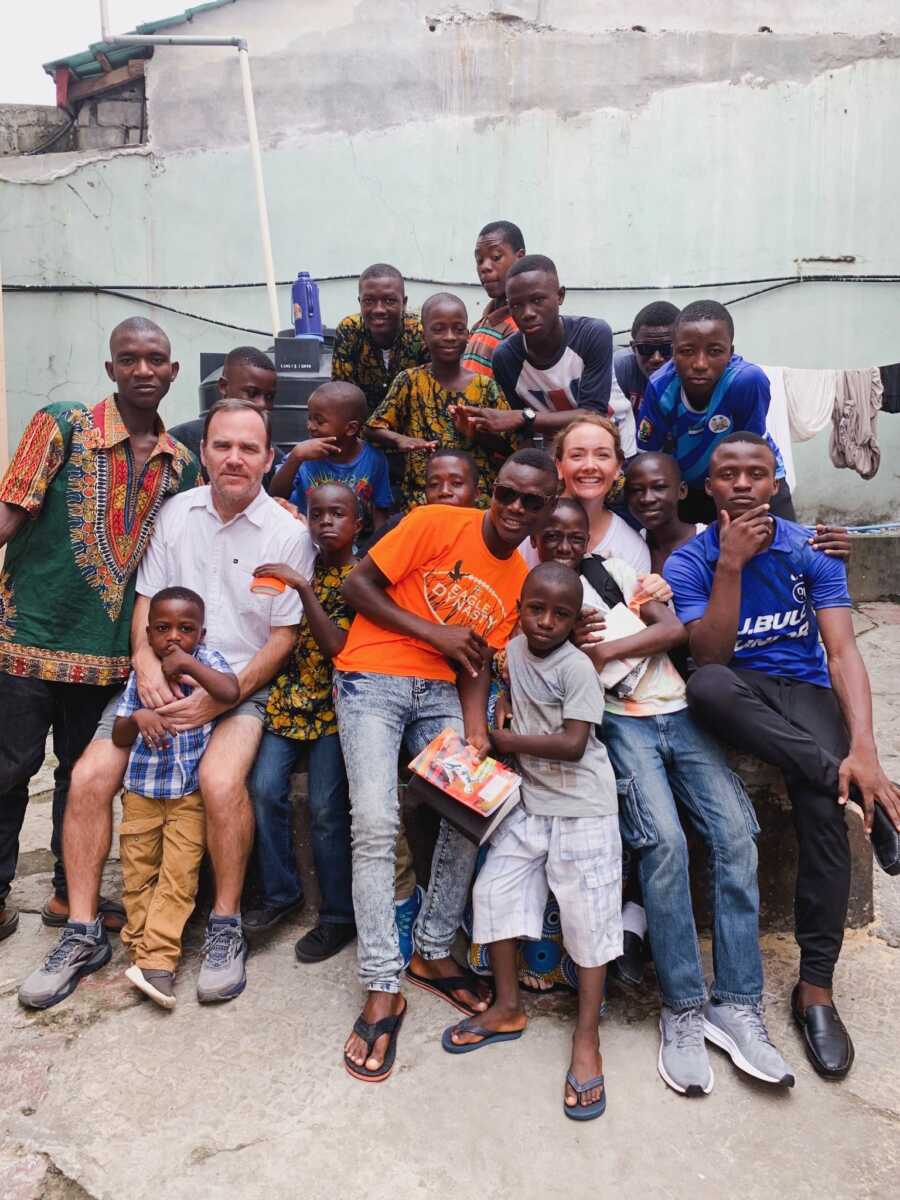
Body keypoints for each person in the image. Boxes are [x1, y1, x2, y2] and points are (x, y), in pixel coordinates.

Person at [19, 399, 315, 1010]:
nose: (234, 458)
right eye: (222, 446)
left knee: (221, 780)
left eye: (249, 448)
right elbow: (145, 603)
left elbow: (282, 637)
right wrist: (149, 667)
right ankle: (81, 931)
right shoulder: (178, 513)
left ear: (268, 459)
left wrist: (214, 703)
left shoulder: (288, 533)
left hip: (238, 690)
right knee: (89, 776)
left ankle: (227, 924)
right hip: (155, 684)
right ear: (203, 452)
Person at [666, 432, 900, 1080]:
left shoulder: (813, 550)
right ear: (708, 488)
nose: (742, 484)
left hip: (803, 693)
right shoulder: (692, 560)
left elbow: (844, 651)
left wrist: (865, 748)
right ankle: (858, 791)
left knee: (823, 811)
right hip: (739, 690)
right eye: (728, 475)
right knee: (706, 685)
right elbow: (709, 658)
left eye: (756, 474)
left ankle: (815, 991)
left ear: (774, 484)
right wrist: (731, 566)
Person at [541, 497, 796, 1095]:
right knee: (664, 843)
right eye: (550, 535)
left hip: (677, 710)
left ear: (589, 539)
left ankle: (736, 1005)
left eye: (573, 535)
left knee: (736, 834)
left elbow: (674, 627)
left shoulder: (617, 574)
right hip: (618, 723)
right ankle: (681, 1006)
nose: (563, 545)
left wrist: (603, 649)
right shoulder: (539, 599)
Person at [334, 449, 559, 1082]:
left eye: (532, 502)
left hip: (442, 694)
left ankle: (432, 951)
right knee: (375, 823)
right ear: (494, 490)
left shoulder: (521, 577)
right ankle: (382, 984)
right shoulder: (437, 521)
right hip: (373, 677)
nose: (516, 509)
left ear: (545, 509)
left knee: (474, 809)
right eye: (508, 495)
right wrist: (433, 634)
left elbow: (478, 661)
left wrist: (475, 731)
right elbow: (357, 585)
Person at [0, 317, 199, 945]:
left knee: (80, 776)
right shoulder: (60, 424)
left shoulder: (182, 464)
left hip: (107, 655)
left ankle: (68, 889)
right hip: (25, 638)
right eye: (129, 358)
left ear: (173, 372)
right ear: (110, 369)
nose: (143, 369)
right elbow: (9, 512)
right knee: (8, 770)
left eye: (155, 359)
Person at [445, 562, 622, 1121]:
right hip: (532, 802)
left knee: (588, 920)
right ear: (519, 606)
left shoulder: (577, 669)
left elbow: (572, 744)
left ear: (576, 620)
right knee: (494, 893)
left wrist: (500, 738)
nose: (545, 622)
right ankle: (507, 1007)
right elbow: (504, 685)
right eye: (535, 609)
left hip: (583, 808)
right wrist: (499, 710)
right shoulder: (515, 648)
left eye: (561, 614)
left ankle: (587, 1039)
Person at [246, 483, 361, 953]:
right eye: (317, 515)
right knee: (264, 788)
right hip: (289, 701)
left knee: (327, 809)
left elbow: (338, 647)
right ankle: (281, 893)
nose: (326, 523)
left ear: (359, 521)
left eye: (338, 514)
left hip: (336, 707)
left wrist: (301, 587)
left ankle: (338, 914)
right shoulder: (301, 561)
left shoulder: (362, 577)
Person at [112, 588, 239, 1009]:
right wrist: (138, 717)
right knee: (138, 876)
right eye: (163, 629)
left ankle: (158, 962)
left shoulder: (207, 661)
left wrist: (190, 666)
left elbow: (230, 690)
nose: (173, 638)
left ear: (201, 633)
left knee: (179, 878)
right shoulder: (141, 679)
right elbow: (119, 734)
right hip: (142, 796)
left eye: (186, 630)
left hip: (187, 797)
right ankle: (141, 947)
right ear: (148, 634)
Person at [636, 300, 795, 523]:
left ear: (731, 352)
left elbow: (750, 453)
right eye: (687, 351)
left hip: (748, 481)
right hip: (688, 487)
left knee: (784, 550)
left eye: (715, 351)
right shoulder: (660, 387)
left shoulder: (746, 381)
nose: (700, 363)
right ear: (674, 352)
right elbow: (650, 458)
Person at [366, 292, 517, 509]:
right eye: (438, 329)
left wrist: (477, 433)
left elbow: (509, 446)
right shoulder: (410, 381)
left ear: (467, 334)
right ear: (424, 336)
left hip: (475, 500)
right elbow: (372, 429)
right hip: (422, 499)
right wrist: (401, 440)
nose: (449, 337)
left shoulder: (485, 386)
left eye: (458, 329)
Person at [454, 255, 614, 445]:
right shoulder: (506, 357)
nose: (528, 313)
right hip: (559, 457)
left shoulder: (591, 335)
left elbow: (593, 416)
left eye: (537, 300)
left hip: (612, 449)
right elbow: (522, 433)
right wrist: (478, 430)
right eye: (516, 305)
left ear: (560, 296)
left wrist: (524, 417)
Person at [268, 382, 392, 539]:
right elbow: (275, 495)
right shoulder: (302, 455)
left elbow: (380, 511)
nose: (310, 426)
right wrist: (296, 457)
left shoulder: (374, 460)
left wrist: (376, 548)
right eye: (309, 418)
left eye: (319, 421)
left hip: (348, 547)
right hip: (302, 538)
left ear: (350, 428)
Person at [549, 414, 650, 573]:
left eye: (602, 455)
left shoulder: (632, 549)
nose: (590, 466)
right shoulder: (530, 527)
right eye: (577, 455)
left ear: (618, 468)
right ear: (559, 466)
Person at [331, 263, 429, 415]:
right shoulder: (349, 331)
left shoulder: (420, 334)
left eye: (389, 301)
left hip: (408, 429)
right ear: (360, 302)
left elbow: (427, 395)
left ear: (404, 303)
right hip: (361, 429)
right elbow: (340, 393)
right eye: (369, 301)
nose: (379, 309)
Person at [168, 346, 278, 464]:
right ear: (224, 386)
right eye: (252, 393)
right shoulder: (180, 442)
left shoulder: (271, 455)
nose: (262, 404)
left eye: (269, 397)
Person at [461, 220, 526, 378]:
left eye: (496, 257)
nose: (484, 267)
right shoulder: (481, 323)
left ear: (520, 258)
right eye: (479, 260)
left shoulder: (520, 327)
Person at [613, 301, 681, 414]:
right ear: (634, 348)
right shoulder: (620, 366)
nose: (656, 358)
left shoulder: (694, 372)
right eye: (646, 349)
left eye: (667, 349)